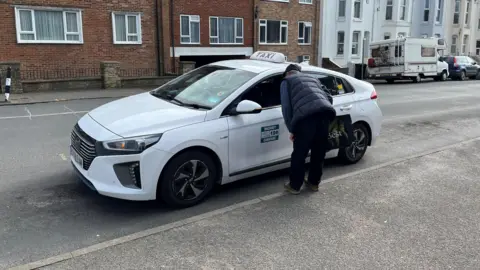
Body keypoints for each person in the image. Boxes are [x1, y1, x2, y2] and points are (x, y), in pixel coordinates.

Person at [280, 64, 336, 194]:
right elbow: (329, 98)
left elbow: (286, 108)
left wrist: (292, 129)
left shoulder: (286, 82)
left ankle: (294, 186)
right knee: (319, 152)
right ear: (299, 72)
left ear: (287, 73)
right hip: (324, 116)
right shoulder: (313, 79)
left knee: (299, 154)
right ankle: (313, 183)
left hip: (305, 119)